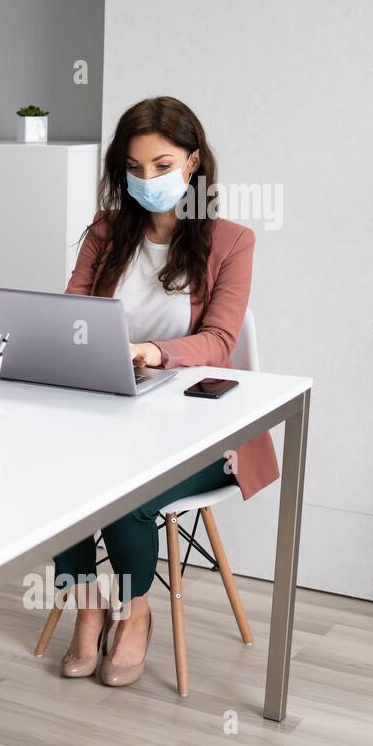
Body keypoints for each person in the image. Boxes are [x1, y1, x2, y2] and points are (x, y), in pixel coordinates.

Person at [53, 96, 278, 686]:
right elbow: (74, 312)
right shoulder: (106, 232)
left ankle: (136, 610)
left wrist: (154, 353)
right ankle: (85, 603)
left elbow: (222, 338)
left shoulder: (231, 241)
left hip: (199, 431)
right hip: (112, 411)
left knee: (127, 488)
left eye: (161, 164)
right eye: (133, 167)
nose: (146, 179)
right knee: (56, 469)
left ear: (193, 163)